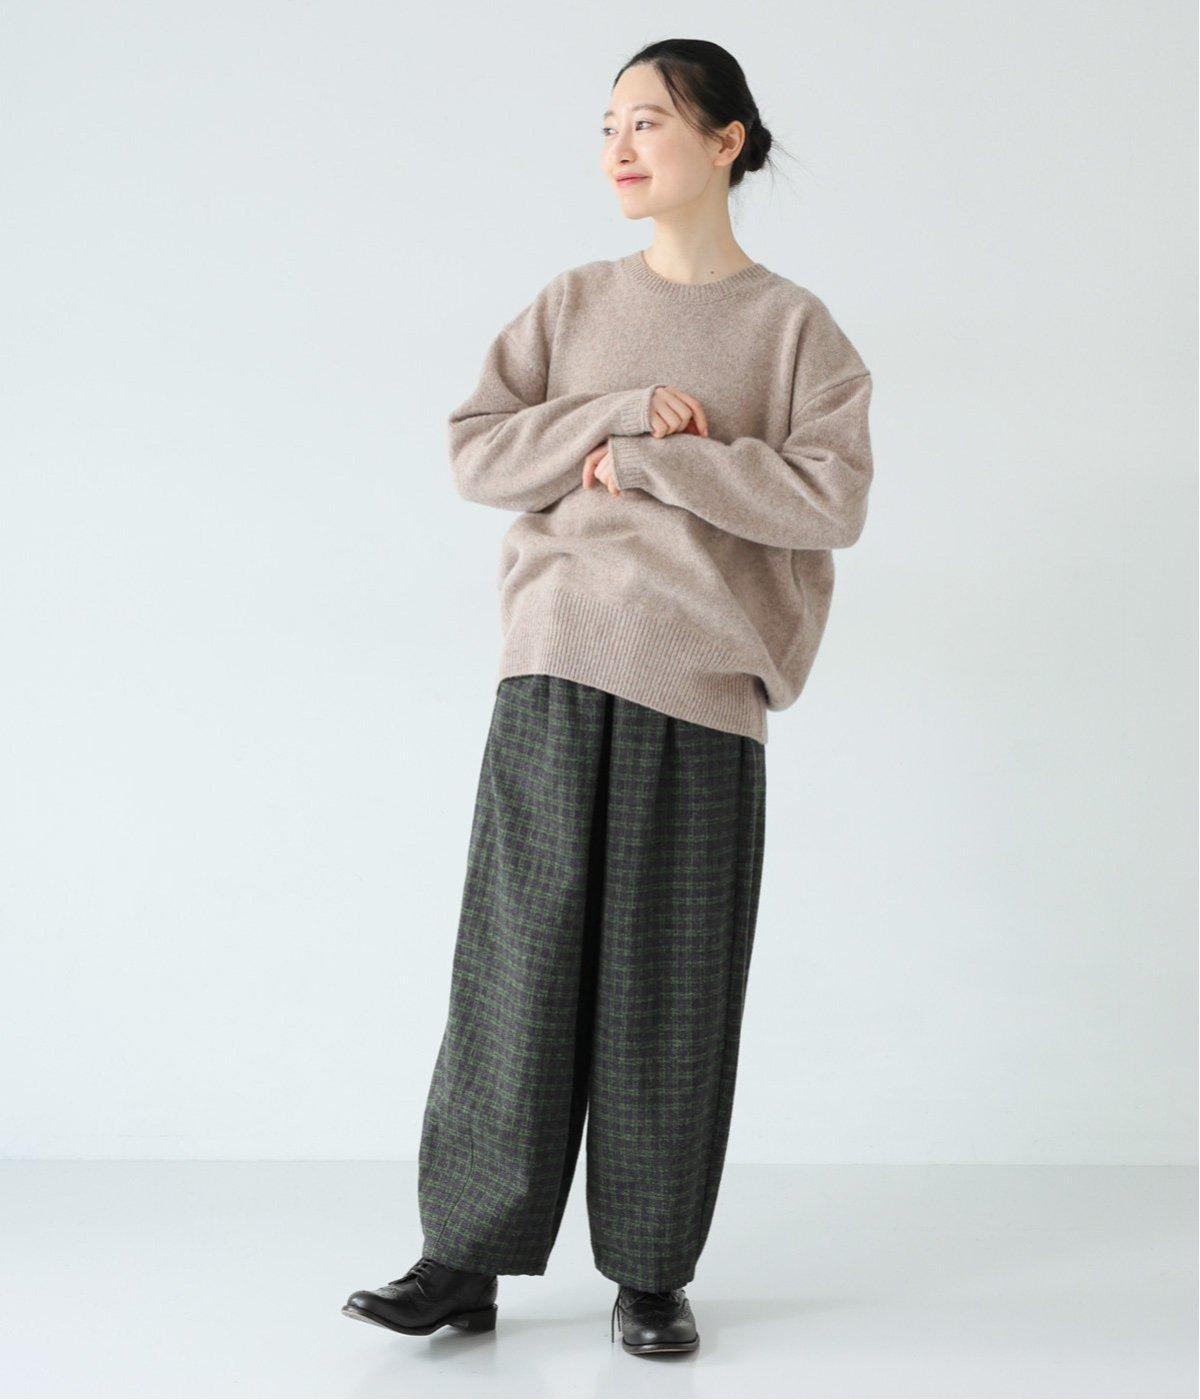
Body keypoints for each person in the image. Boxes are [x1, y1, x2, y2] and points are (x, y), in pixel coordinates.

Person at [342, 36, 874, 1358]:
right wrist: (623, 415)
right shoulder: (572, 306)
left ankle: (650, 1271)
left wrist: (656, 468)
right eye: (608, 126)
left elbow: (831, 500)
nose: (620, 148)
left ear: (726, 142)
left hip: (701, 687)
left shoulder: (794, 329)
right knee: (515, 967)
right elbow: (477, 454)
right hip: (556, 662)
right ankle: (461, 1259)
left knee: (669, 988)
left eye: (648, 121)